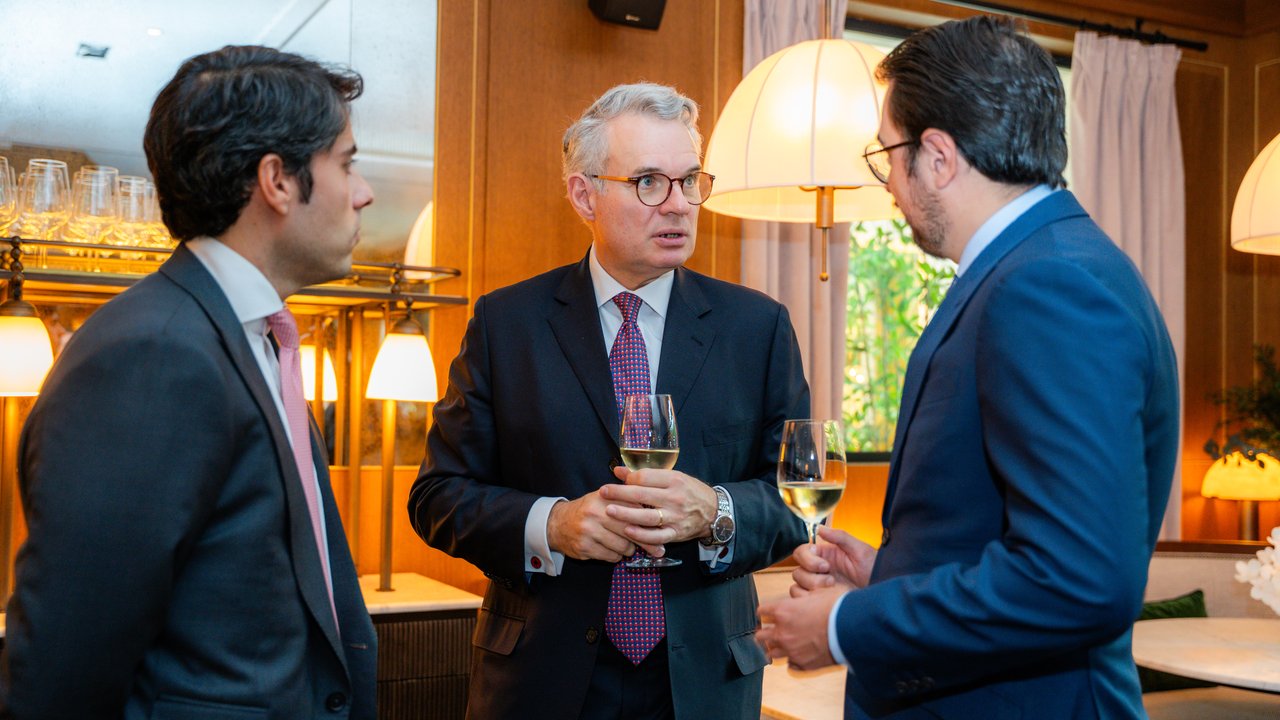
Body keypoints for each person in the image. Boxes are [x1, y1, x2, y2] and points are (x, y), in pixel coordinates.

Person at [756, 15, 1180, 720]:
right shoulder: (1052, 263)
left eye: (886, 155)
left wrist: (842, 627)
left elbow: (1078, 579)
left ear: (939, 156)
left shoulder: (1045, 286)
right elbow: (1003, 527)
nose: (888, 184)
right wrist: (887, 575)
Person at [408, 82, 810, 719]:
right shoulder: (507, 324)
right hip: (542, 678)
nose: (678, 205)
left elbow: (801, 498)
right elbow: (437, 497)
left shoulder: (756, 327)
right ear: (583, 194)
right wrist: (553, 525)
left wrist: (717, 511)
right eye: (649, 181)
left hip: (705, 681)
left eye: (690, 181)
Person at [1, 45, 378, 718]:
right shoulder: (152, 354)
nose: (364, 192)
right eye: (346, 164)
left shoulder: (255, 337)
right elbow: (65, 665)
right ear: (278, 181)